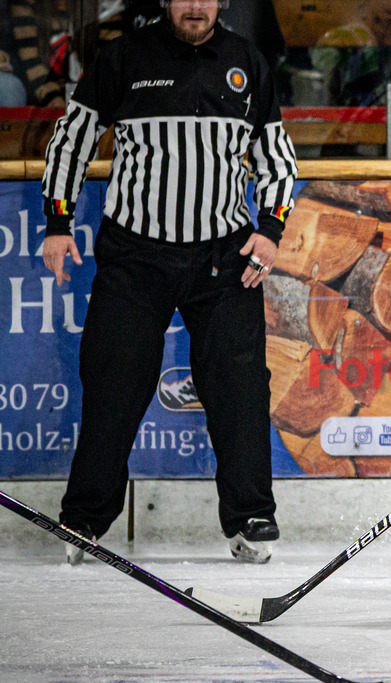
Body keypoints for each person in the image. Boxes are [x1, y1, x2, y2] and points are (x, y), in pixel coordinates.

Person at [41, 0, 298, 565]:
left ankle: (250, 517)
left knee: (240, 390)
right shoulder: (124, 57)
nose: (196, 6)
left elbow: (277, 158)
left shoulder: (247, 61)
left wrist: (271, 229)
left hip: (224, 259)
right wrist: (58, 223)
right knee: (112, 386)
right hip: (136, 256)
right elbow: (72, 138)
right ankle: (84, 519)